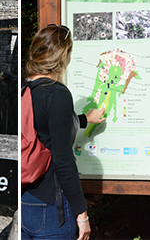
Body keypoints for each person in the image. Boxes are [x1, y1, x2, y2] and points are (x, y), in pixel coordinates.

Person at [22, 24, 105, 240]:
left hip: (24, 201)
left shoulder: (25, 89)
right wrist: (82, 213)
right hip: (51, 207)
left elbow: (44, 129)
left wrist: (85, 119)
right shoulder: (56, 93)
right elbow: (64, 159)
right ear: (63, 55)